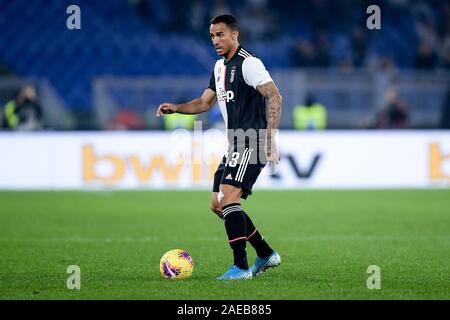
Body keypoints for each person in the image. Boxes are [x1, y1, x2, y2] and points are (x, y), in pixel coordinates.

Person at [156, 14, 282, 280]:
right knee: (217, 204)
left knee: (228, 198)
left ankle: (241, 267)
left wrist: (270, 138)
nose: (215, 40)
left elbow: (274, 95)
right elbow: (204, 103)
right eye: (212, 36)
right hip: (235, 142)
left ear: (234, 34)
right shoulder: (218, 68)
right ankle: (265, 253)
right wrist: (176, 108)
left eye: (220, 34)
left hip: (253, 139)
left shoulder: (249, 64)